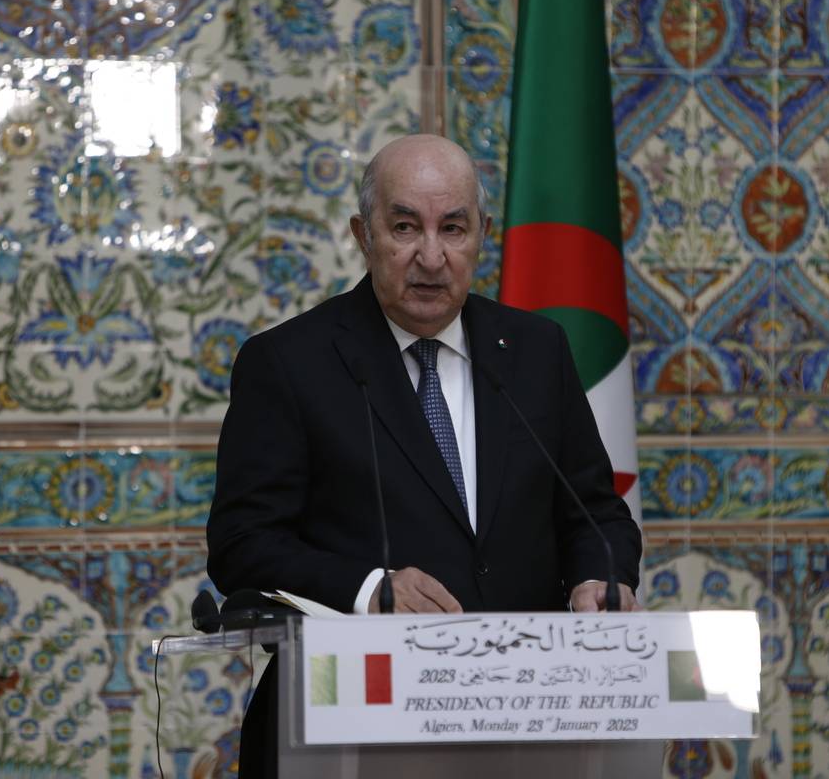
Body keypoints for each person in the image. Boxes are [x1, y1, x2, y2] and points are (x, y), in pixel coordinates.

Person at [206, 134, 642, 775]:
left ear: (482, 236)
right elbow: (241, 545)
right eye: (405, 226)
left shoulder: (535, 351)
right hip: (350, 727)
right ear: (364, 233)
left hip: (523, 721)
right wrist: (367, 590)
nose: (431, 257)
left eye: (454, 229)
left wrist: (599, 581)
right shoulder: (289, 364)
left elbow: (596, 514)